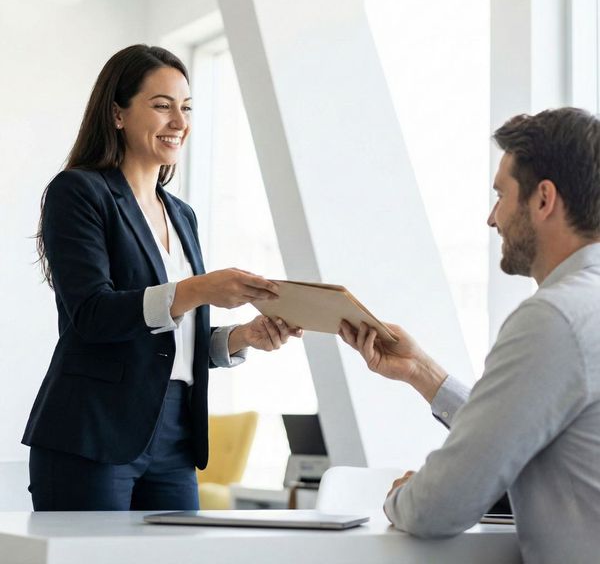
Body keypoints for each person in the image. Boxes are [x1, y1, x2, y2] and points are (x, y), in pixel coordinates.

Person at [23, 44, 302, 512]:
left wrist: (241, 338)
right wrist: (201, 289)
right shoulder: (78, 192)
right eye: (161, 106)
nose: (180, 121)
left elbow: (173, 342)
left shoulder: (181, 215)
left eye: (187, 107)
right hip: (94, 432)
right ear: (117, 114)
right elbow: (92, 315)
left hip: (175, 438)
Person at [340, 107, 600, 564]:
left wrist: (399, 495)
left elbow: (438, 506)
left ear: (543, 200)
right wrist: (422, 372)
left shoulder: (554, 317)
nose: (491, 217)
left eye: (501, 195)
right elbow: (518, 427)